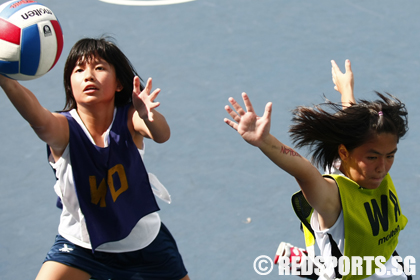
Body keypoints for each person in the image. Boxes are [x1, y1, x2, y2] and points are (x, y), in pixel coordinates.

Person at [0, 37, 189, 280]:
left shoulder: (131, 119)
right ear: (70, 84)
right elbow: (37, 118)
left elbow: (162, 135)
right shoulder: (63, 129)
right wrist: (6, 81)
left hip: (145, 246)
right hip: (81, 247)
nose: (88, 75)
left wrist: (148, 115)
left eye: (99, 68)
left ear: (119, 83)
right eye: (79, 70)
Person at [224, 60, 410, 280]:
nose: (383, 167)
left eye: (390, 156)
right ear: (344, 153)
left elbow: (352, 130)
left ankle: (304, 262)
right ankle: (313, 265)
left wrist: (346, 89)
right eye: (372, 157)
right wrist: (265, 141)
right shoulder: (332, 197)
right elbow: (304, 172)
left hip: (385, 265)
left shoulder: (363, 164)